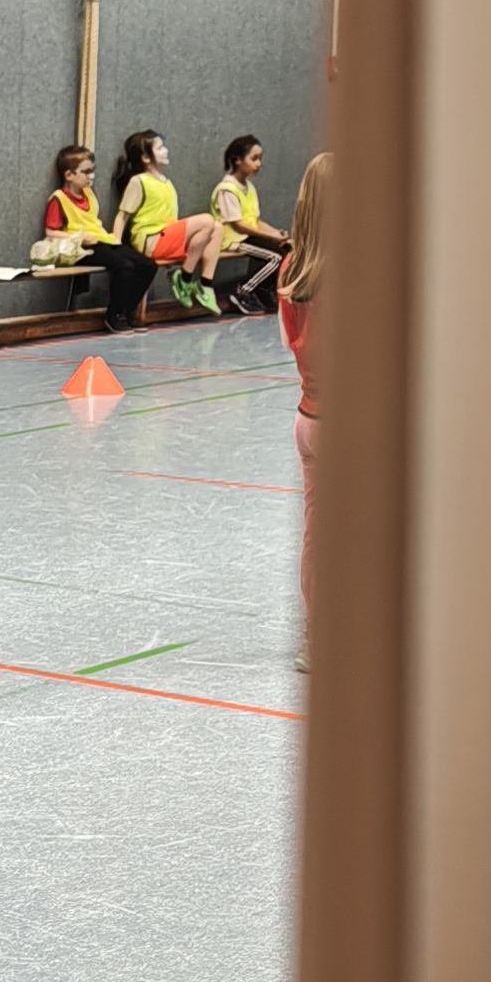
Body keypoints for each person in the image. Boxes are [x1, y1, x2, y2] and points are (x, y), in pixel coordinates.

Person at [276, 152, 329, 666]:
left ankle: (317, 638)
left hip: (308, 416)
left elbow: (286, 339)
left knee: (318, 533)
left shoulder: (291, 266)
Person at [108, 127, 232, 317]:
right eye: (159, 148)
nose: (165, 150)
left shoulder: (166, 181)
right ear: (145, 157)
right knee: (207, 220)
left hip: (168, 236)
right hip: (151, 240)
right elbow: (122, 216)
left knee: (217, 228)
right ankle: (184, 277)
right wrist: (116, 245)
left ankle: (205, 284)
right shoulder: (139, 181)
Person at [210, 136, 287, 313]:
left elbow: (256, 221)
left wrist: (277, 234)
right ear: (237, 160)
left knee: (284, 249)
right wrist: (270, 236)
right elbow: (238, 225)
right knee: (274, 257)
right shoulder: (227, 189)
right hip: (231, 240)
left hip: (248, 238)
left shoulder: (249, 188)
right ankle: (242, 292)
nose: (258, 164)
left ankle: (263, 291)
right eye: (254, 159)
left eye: (260, 159)